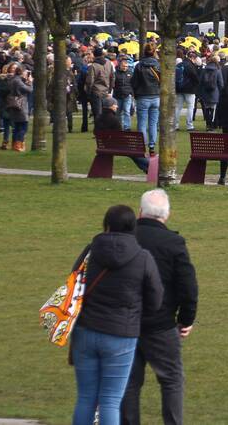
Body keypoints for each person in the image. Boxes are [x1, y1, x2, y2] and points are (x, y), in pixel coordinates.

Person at [71, 205, 163, 425]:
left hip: (85, 330)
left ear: (107, 225)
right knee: (111, 400)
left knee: (86, 398)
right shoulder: (142, 257)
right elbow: (156, 298)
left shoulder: (90, 251)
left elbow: (73, 283)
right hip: (121, 333)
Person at [121, 190, 198, 425]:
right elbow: (188, 286)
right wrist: (186, 320)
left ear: (140, 211)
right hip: (161, 324)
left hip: (125, 322)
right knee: (172, 379)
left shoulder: (124, 238)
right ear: (167, 215)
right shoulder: (173, 243)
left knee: (129, 383)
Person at [95, 97, 150, 173]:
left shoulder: (98, 118)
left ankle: (147, 168)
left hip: (104, 146)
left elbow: (95, 132)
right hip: (117, 146)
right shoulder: (114, 119)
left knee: (134, 154)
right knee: (135, 152)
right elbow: (120, 136)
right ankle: (150, 166)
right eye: (115, 105)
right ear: (111, 106)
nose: (117, 106)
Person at [132, 44, 161, 156]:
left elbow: (134, 82)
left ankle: (142, 145)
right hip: (155, 96)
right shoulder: (158, 65)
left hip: (143, 96)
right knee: (153, 124)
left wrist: (135, 92)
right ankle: (152, 146)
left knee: (142, 123)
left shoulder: (139, 66)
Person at [6, 64, 33, 153]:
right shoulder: (18, 81)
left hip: (15, 104)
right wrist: (30, 82)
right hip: (20, 105)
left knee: (17, 126)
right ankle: (18, 144)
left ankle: (15, 144)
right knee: (23, 126)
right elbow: (28, 90)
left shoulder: (13, 79)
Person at [86, 47, 116, 123]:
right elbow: (112, 78)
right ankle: (105, 130)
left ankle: (98, 131)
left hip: (96, 92)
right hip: (106, 91)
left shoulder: (93, 66)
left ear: (94, 55)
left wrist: (88, 92)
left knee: (97, 113)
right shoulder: (109, 63)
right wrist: (110, 90)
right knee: (106, 113)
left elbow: (90, 81)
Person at [174, 50, 199, 132]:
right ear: (192, 58)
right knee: (190, 107)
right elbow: (195, 77)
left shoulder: (180, 64)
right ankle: (189, 125)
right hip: (190, 89)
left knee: (178, 107)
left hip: (179, 88)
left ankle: (175, 125)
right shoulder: (191, 66)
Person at [197, 55, 224, 130]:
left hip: (205, 92)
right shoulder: (218, 70)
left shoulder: (204, 70)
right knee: (213, 110)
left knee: (206, 108)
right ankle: (211, 125)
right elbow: (221, 83)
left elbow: (200, 82)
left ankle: (207, 124)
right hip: (214, 92)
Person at [114, 58, 135, 131]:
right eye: (124, 66)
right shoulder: (116, 73)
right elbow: (113, 84)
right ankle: (118, 126)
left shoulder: (130, 73)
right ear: (120, 66)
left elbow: (133, 84)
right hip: (118, 95)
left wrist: (131, 93)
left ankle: (127, 127)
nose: (125, 67)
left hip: (127, 95)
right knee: (118, 112)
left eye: (126, 66)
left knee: (126, 111)